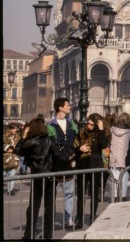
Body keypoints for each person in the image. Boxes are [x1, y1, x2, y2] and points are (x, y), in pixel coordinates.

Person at [14, 117, 55, 240]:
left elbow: (18, 150)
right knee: (49, 207)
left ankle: (28, 234)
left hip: (38, 175)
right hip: (50, 176)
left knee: (34, 205)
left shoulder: (33, 142)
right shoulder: (50, 140)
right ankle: (48, 235)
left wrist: (24, 135)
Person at [46, 97, 78, 231]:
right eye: (67, 105)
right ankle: (50, 219)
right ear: (60, 107)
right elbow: (52, 143)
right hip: (55, 164)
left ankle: (68, 218)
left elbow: (74, 138)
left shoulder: (72, 123)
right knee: (51, 194)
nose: (70, 107)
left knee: (69, 192)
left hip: (69, 162)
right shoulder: (50, 125)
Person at [73, 113, 109, 229]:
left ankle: (93, 217)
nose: (88, 125)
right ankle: (79, 219)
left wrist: (102, 129)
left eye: (91, 124)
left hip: (95, 166)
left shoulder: (101, 134)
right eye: (88, 123)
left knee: (94, 194)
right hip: (82, 166)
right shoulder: (81, 132)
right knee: (80, 194)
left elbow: (104, 146)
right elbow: (74, 146)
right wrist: (80, 148)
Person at [108, 112, 130, 201]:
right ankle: (122, 196)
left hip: (113, 157)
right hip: (125, 158)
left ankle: (115, 196)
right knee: (124, 177)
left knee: (114, 177)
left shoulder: (111, 130)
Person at [3, 123, 20, 195]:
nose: (15, 130)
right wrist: (7, 148)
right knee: (5, 173)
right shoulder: (5, 136)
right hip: (6, 157)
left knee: (12, 174)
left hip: (14, 157)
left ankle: (10, 189)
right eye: (13, 129)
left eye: (15, 129)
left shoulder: (17, 137)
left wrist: (14, 149)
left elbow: (19, 144)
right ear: (9, 129)